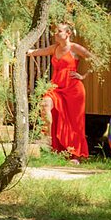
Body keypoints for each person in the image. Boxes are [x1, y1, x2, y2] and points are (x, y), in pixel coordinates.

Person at [27, 22, 92, 164]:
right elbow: (35, 52)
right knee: (45, 104)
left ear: (68, 33)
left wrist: (83, 76)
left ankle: (74, 155)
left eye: (59, 32)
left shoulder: (75, 48)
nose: (56, 34)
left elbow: (94, 60)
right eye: (55, 32)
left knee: (74, 123)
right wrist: (18, 49)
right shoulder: (54, 48)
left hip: (74, 90)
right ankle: (49, 142)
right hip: (56, 87)